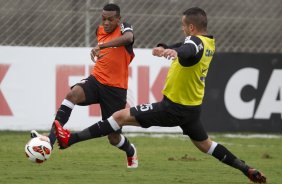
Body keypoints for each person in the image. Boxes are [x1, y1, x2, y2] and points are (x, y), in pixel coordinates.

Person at [53, 7, 266, 183]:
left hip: (172, 108)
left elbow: (187, 49)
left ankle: (70, 139)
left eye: (183, 26)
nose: (182, 30)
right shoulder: (208, 42)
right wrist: (166, 48)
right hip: (192, 110)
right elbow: (187, 45)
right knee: (206, 145)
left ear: (191, 27)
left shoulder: (194, 43)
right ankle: (246, 169)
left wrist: (175, 53)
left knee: (119, 117)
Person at [31, 3, 138, 168]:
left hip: (116, 90)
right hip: (96, 80)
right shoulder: (99, 30)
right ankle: (50, 140)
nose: (107, 23)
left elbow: (129, 38)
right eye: (104, 19)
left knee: (113, 138)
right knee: (72, 94)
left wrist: (102, 46)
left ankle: (130, 151)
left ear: (118, 19)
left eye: (111, 19)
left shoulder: (125, 28)